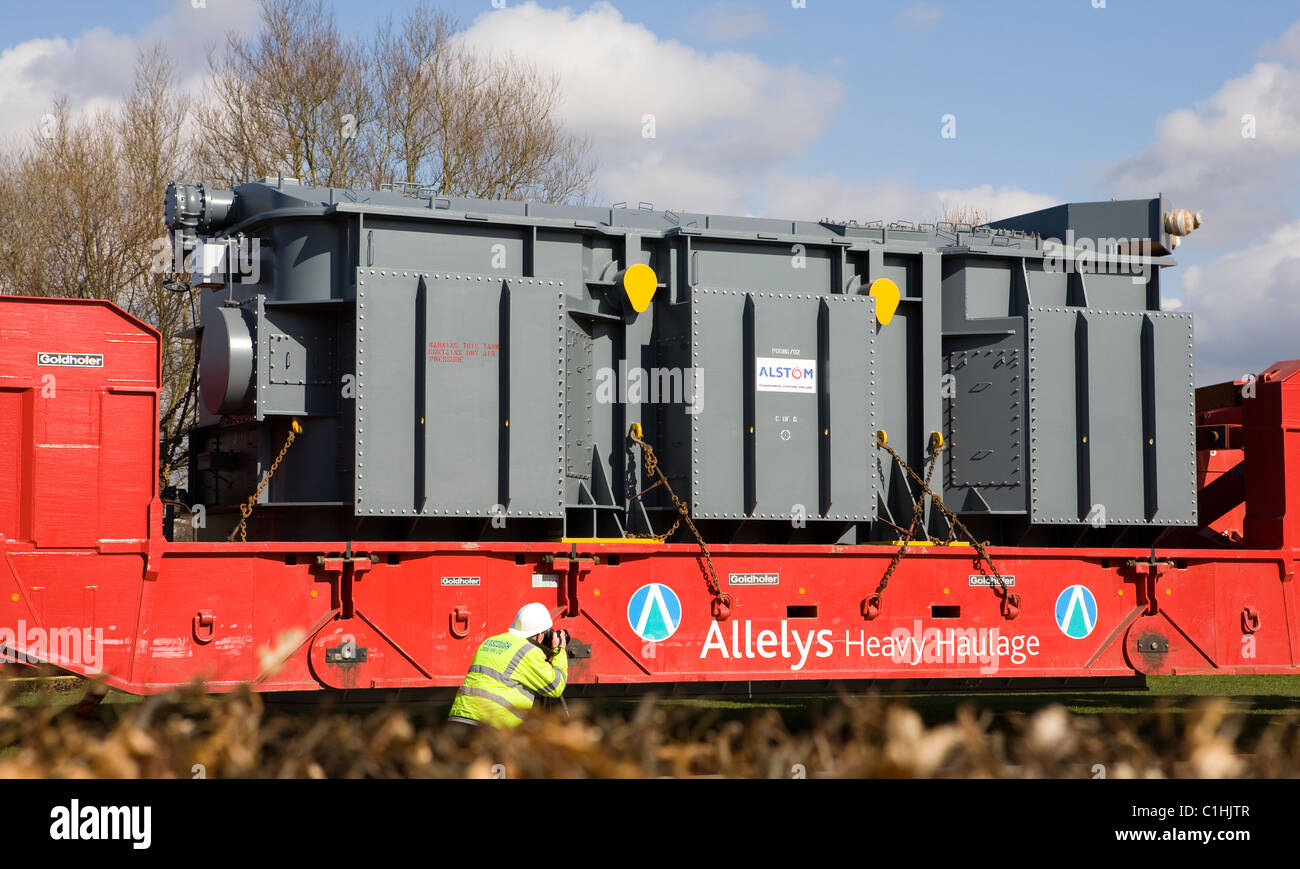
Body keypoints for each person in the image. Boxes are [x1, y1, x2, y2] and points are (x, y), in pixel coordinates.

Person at [448, 602, 569, 727]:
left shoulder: (490, 641)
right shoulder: (528, 651)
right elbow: (555, 687)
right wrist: (559, 651)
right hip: (490, 726)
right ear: (539, 635)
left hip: (460, 717)